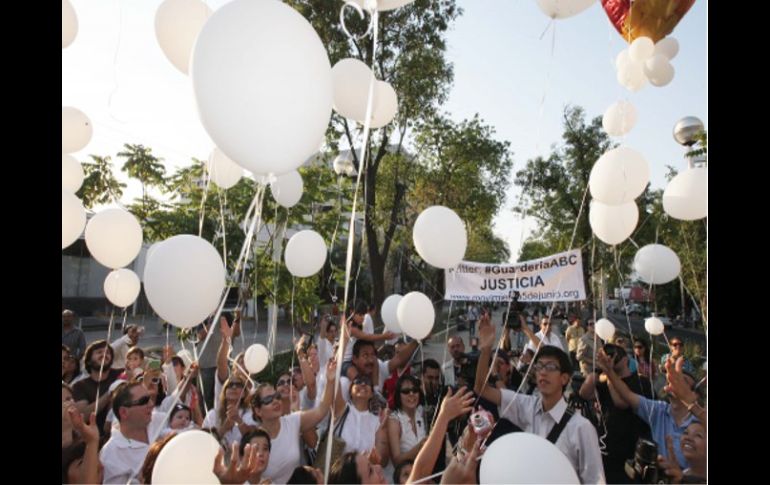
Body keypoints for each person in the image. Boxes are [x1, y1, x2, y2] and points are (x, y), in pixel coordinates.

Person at [475, 312, 605, 484]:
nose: (543, 371)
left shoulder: (581, 428)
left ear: (564, 378)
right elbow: (481, 389)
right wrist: (485, 350)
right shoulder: (526, 407)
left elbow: (595, 481)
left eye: (551, 367)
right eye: (539, 366)